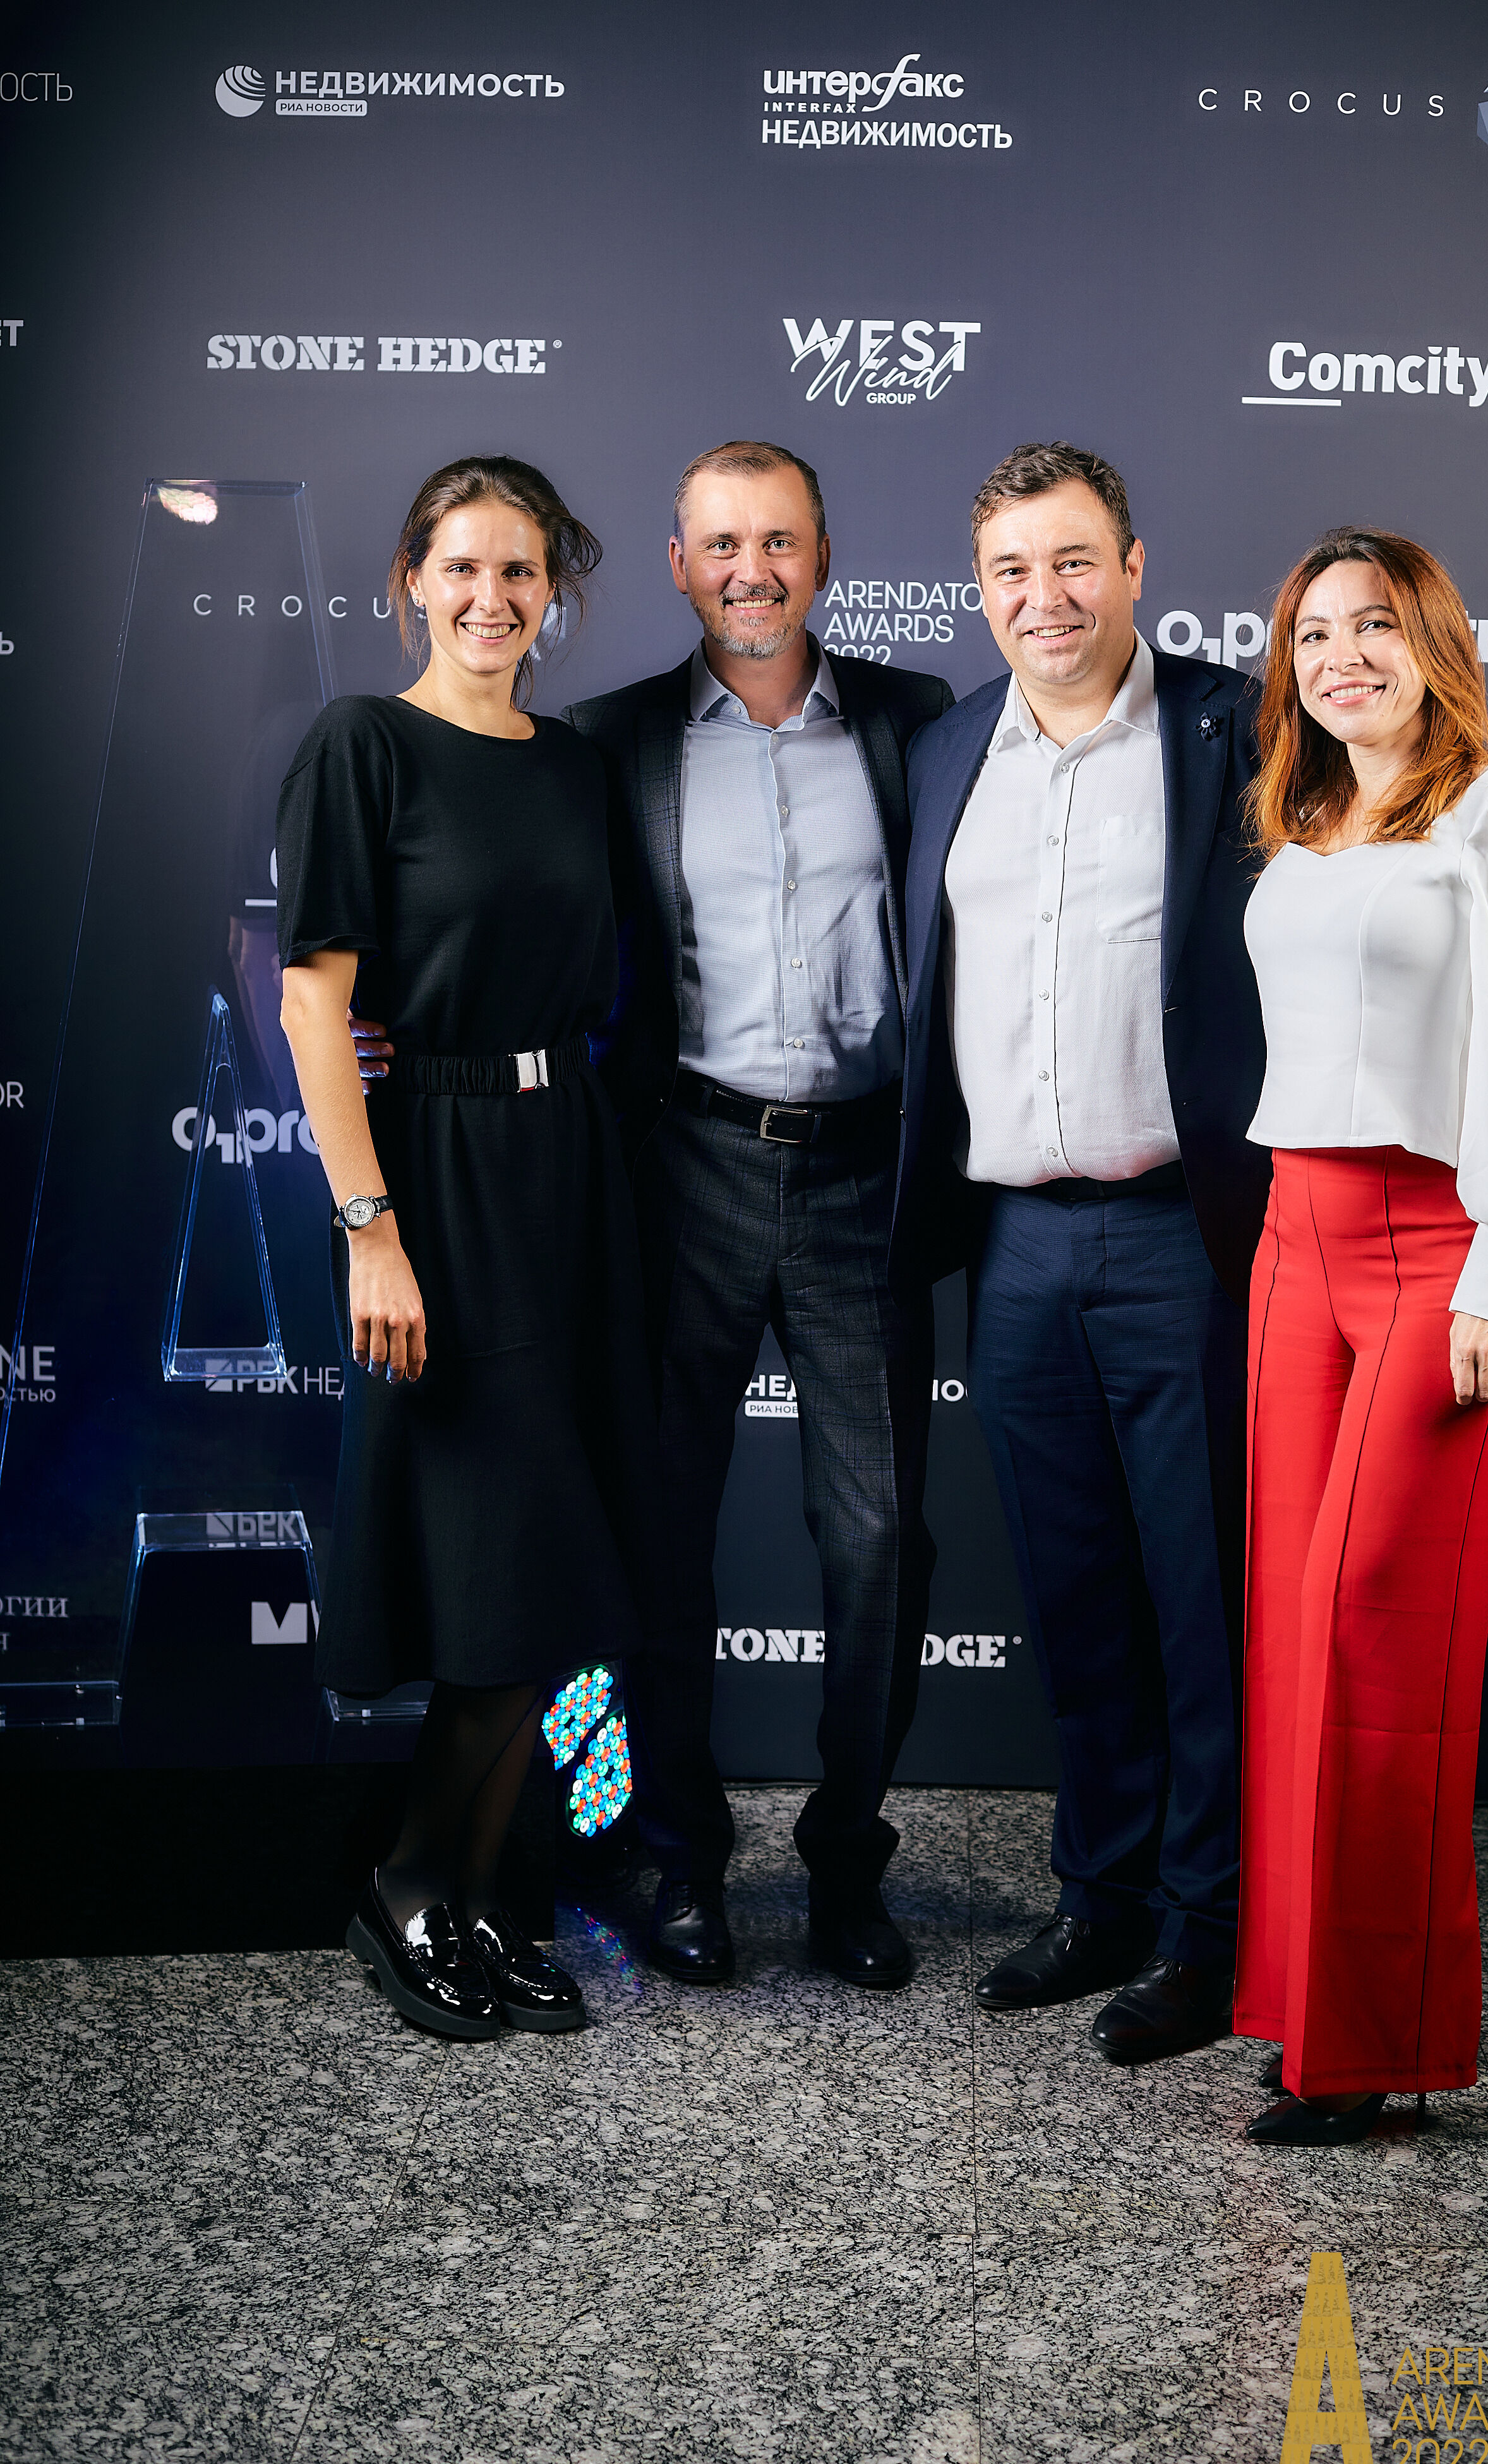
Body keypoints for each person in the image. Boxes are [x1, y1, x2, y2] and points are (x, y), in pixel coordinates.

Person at [892, 443, 1272, 2063]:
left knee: (1202, 1598)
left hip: (1183, 1231)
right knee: (1073, 1593)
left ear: (1130, 564)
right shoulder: (945, 747)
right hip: (1015, 1243)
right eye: (1008, 572)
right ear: (978, 591)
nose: (1039, 598)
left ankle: (1208, 1929)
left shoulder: (1237, 725)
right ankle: (1100, 1894)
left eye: (1069, 562)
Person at [561, 441, 952, 1990]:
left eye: (777, 540)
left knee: (878, 1541)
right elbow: (528, 926)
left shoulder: (919, 722)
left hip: (862, 1172)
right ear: (678, 563)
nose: (750, 569)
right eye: (721, 543)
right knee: (659, 1535)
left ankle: (848, 1861)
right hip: (688, 1168)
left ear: (823, 554)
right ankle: (675, 1854)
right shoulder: (611, 741)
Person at [277, 455, 657, 2042]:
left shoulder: (572, 765)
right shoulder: (362, 743)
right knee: (501, 1562)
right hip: (435, 1176)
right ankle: (412, 1883)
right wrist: (371, 1230)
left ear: (552, 591)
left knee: (558, 1571)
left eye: (520, 571)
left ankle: (489, 1893)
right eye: (461, 567)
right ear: (409, 581)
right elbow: (314, 1003)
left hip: (569, 1170)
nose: (490, 597)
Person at [1233, 527, 1488, 2144]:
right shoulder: (1303, 819)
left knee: (1376, 1643)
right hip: (1291, 1241)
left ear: (1435, 641)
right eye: (1313, 634)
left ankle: (1373, 2040)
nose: (1341, 657)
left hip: (1434, 1246)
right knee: (1291, 1637)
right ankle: (1301, 2005)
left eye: (1373, 624)